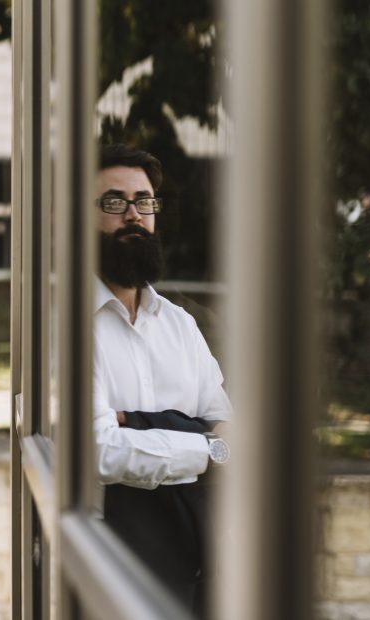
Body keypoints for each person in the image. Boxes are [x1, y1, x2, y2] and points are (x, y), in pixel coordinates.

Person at [92, 143, 232, 617]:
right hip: (109, 565)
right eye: (113, 202)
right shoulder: (62, 328)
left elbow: (229, 430)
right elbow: (98, 452)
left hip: (199, 567)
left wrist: (136, 423)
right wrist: (201, 444)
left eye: (143, 201)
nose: (133, 214)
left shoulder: (180, 325)